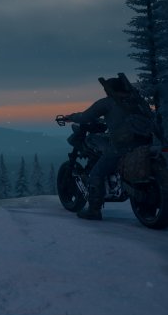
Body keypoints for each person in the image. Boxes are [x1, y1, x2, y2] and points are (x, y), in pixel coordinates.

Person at [60, 76, 155, 220]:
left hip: (123, 147)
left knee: (96, 173)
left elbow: (85, 117)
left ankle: (93, 210)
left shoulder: (108, 103)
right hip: (147, 144)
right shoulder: (137, 101)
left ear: (110, 90)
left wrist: (71, 117)